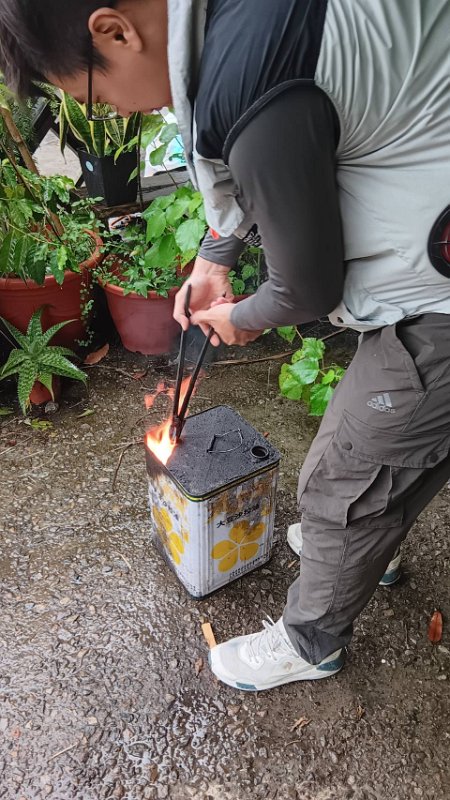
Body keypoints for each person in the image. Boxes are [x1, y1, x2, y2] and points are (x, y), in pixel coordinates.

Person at [2, 0, 449, 692]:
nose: (109, 113)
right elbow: (281, 155)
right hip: (423, 238)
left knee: (342, 484)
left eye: (89, 95)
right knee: (375, 449)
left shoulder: (250, 79)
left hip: (437, 298)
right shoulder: (229, 25)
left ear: (114, 30)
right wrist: (215, 258)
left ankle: (313, 638)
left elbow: (304, 289)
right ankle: (361, 549)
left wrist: (245, 317)